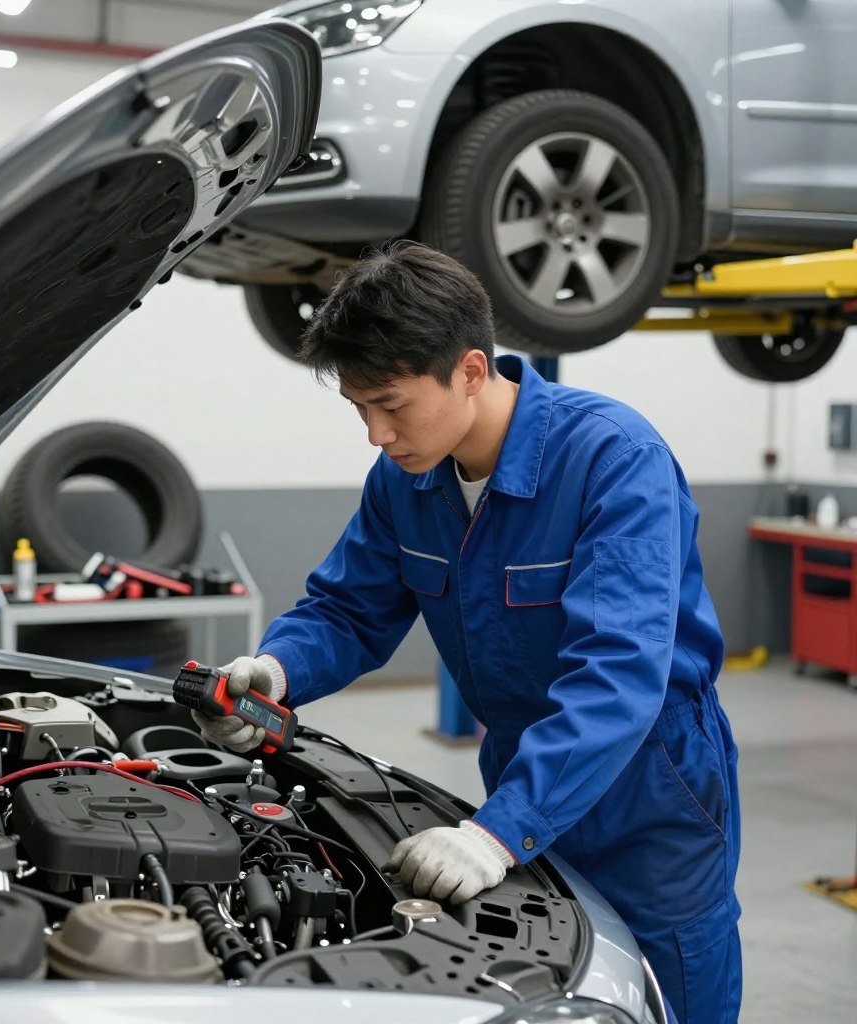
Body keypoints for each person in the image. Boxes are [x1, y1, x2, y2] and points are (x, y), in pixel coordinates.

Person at [193, 242, 741, 1024]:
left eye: (391, 404)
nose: (376, 435)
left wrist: (496, 835)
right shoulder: (408, 478)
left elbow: (618, 676)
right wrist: (274, 673)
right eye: (359, 409)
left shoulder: (614, 460)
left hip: (650, 798)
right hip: (522, 772)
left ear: (472, 371)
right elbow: (348, 608)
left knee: (666, 994)